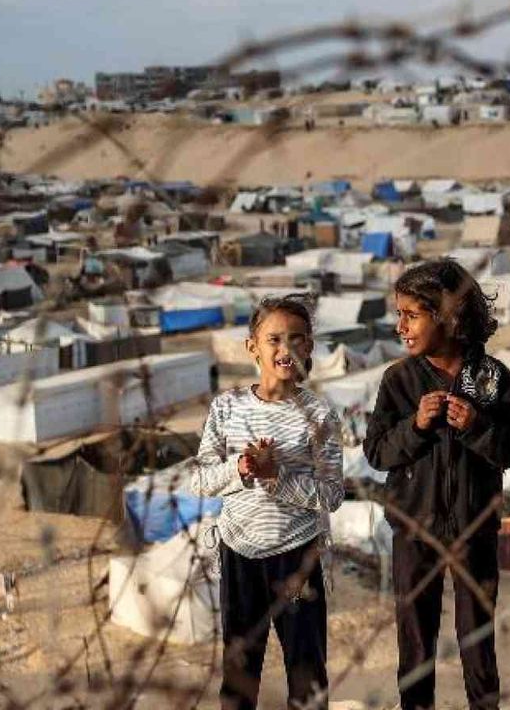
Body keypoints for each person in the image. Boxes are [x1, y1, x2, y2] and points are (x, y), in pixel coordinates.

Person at [364, 259, 510, 710]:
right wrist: (415, 426)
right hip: (414, 530)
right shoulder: (398, 380)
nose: (401, 325)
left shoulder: (493, 379)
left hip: (474, 529)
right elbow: (377, 452)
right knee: (414, 638)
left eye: (411, 314)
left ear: (448, 315)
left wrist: (477, 426)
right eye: (398, 314)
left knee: (477, 638)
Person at [191, 295, 345, 710]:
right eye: (274, 339)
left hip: (297, 556)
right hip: (239, 553)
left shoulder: (320, 415)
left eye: (296, 339)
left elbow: (332, 494)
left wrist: (276, 478)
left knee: (306, 670)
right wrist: (241, 469)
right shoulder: (226, 408)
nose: (285, 349)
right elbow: (199, 479)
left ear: (309, 347)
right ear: (252, 347)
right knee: (240, 668)